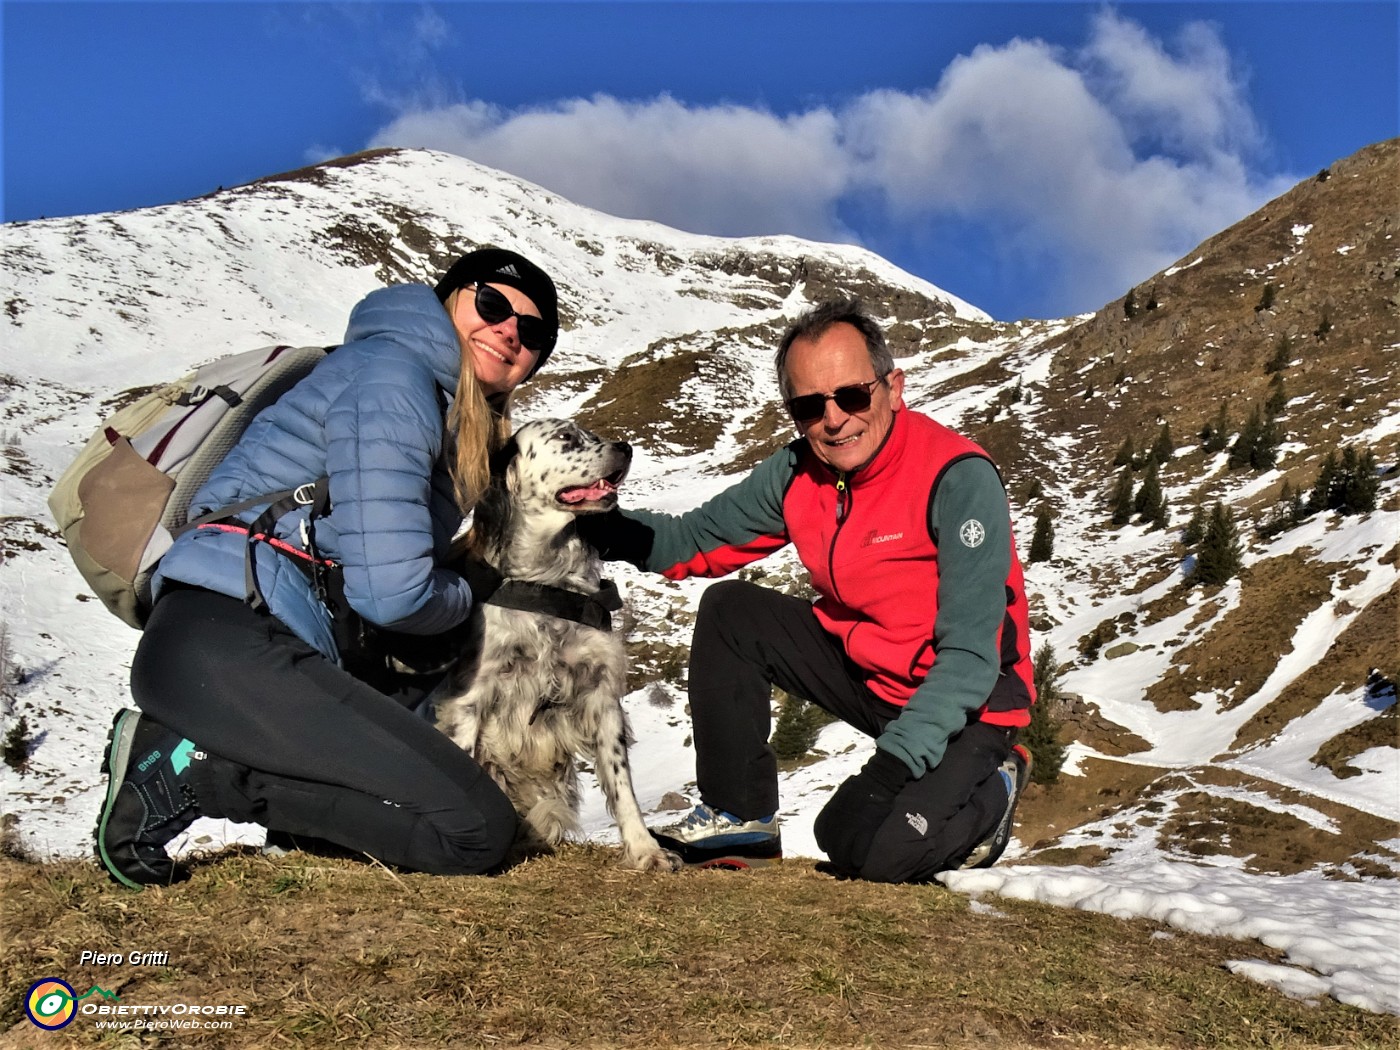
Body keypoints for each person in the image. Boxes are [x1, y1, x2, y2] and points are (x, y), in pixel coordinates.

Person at [94, 249, 561, 888]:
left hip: (239, 642)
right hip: (231, 641)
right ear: (448, 299)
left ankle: (295, 825)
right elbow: (393, 594)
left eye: (533, 332)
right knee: (473, 832)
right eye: (492, 305)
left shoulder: (423, 394)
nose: (509, 330)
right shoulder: (394, 382)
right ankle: (193, 774)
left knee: (435, 776)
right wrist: (471, 590)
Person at [586, 298, 1036, 882]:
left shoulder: (956, 475)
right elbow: (693, 539)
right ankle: (739, 816)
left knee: (866, 851)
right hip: (872, 673)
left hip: (967, 701)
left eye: (852, 395)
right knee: (733, 611)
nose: (834, 419)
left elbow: (971, 656)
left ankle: (995, 786)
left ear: (892, 388)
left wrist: (887, 772)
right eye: (808, 405)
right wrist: (590, 522)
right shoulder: (799, 470)